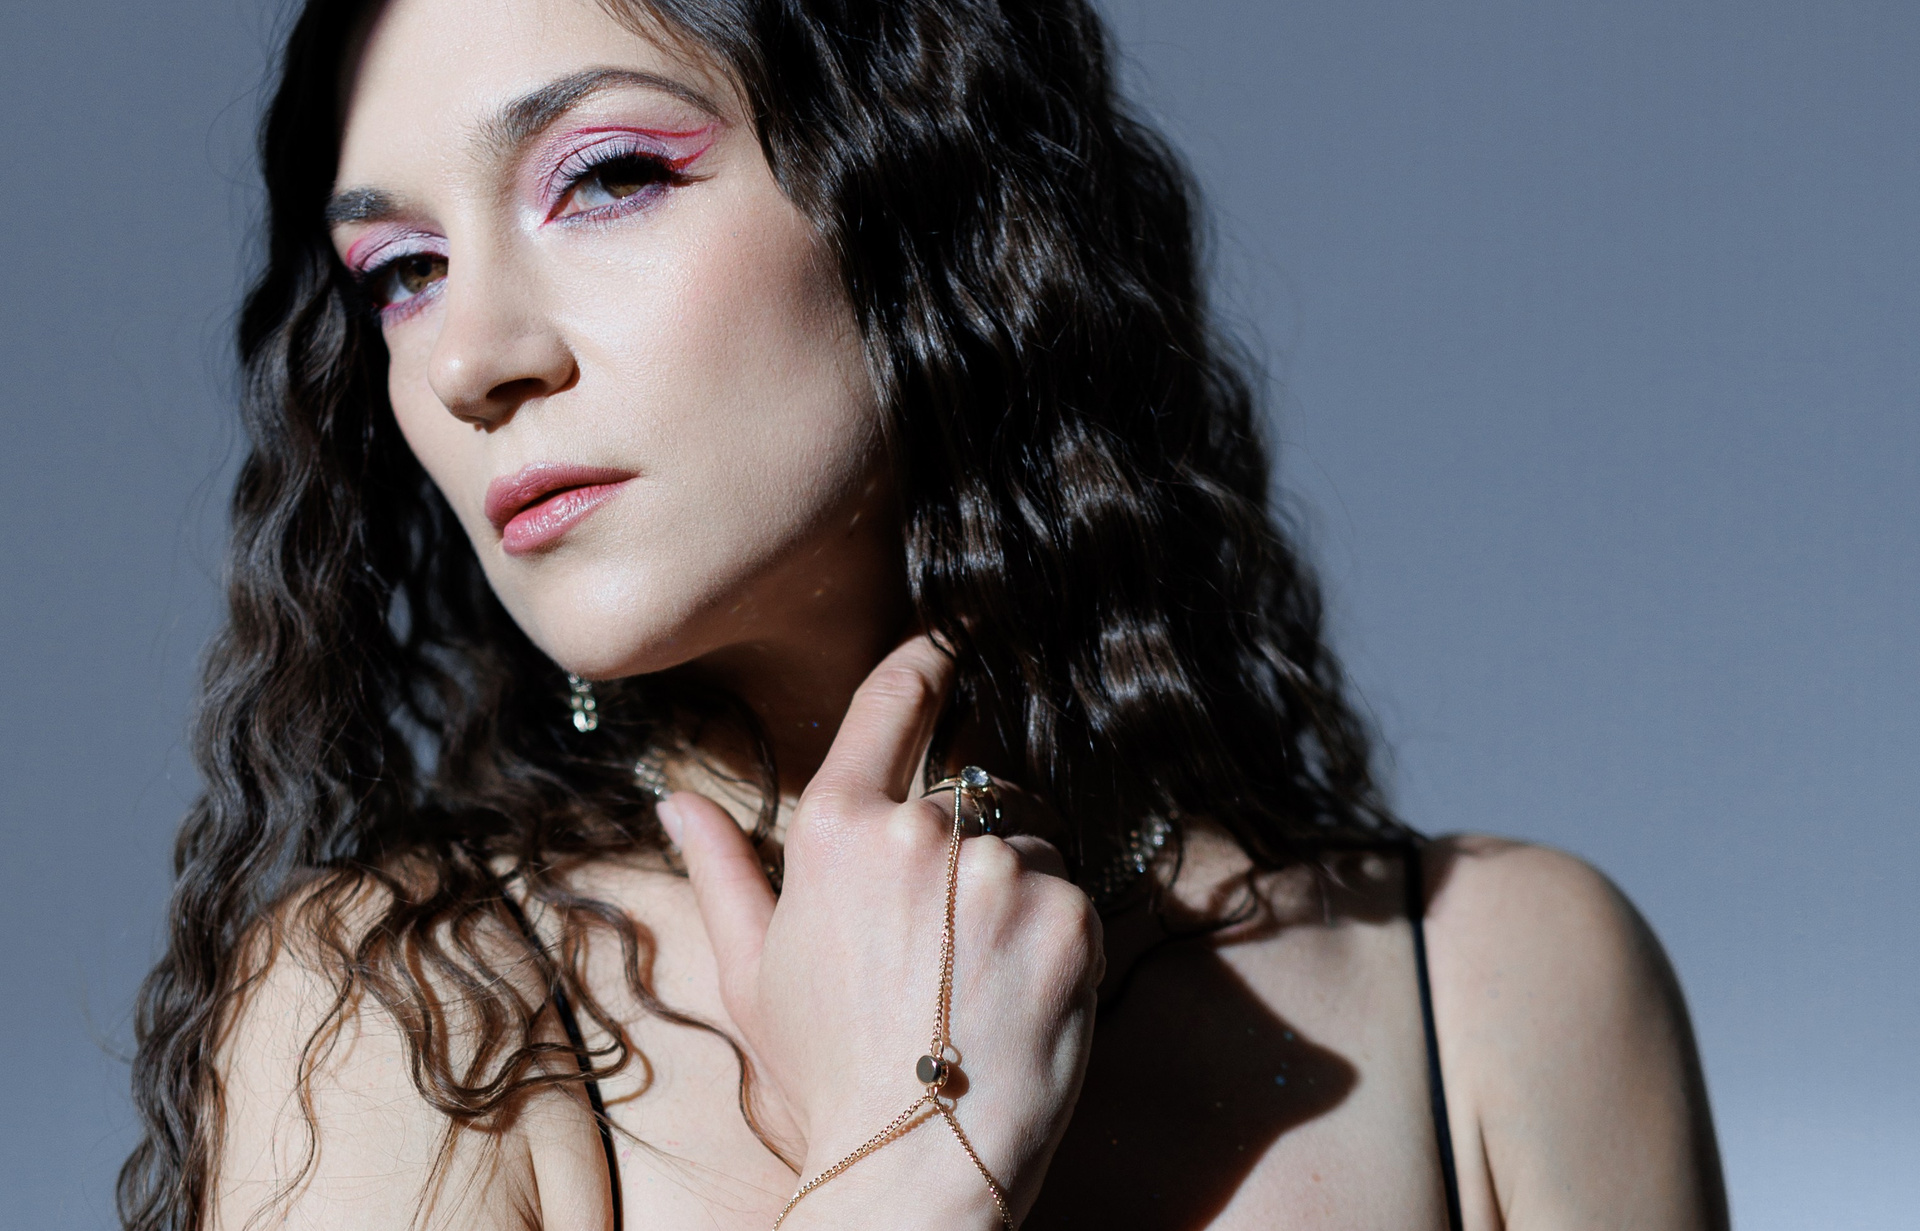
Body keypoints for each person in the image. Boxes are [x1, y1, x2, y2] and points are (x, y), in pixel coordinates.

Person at [119, 0, 1729, 1227]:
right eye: (400, 270)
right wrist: (903, 1172)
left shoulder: (1498, 986)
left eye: (605, 177)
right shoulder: (415, 1015)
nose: (471, 358)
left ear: (929, 199)